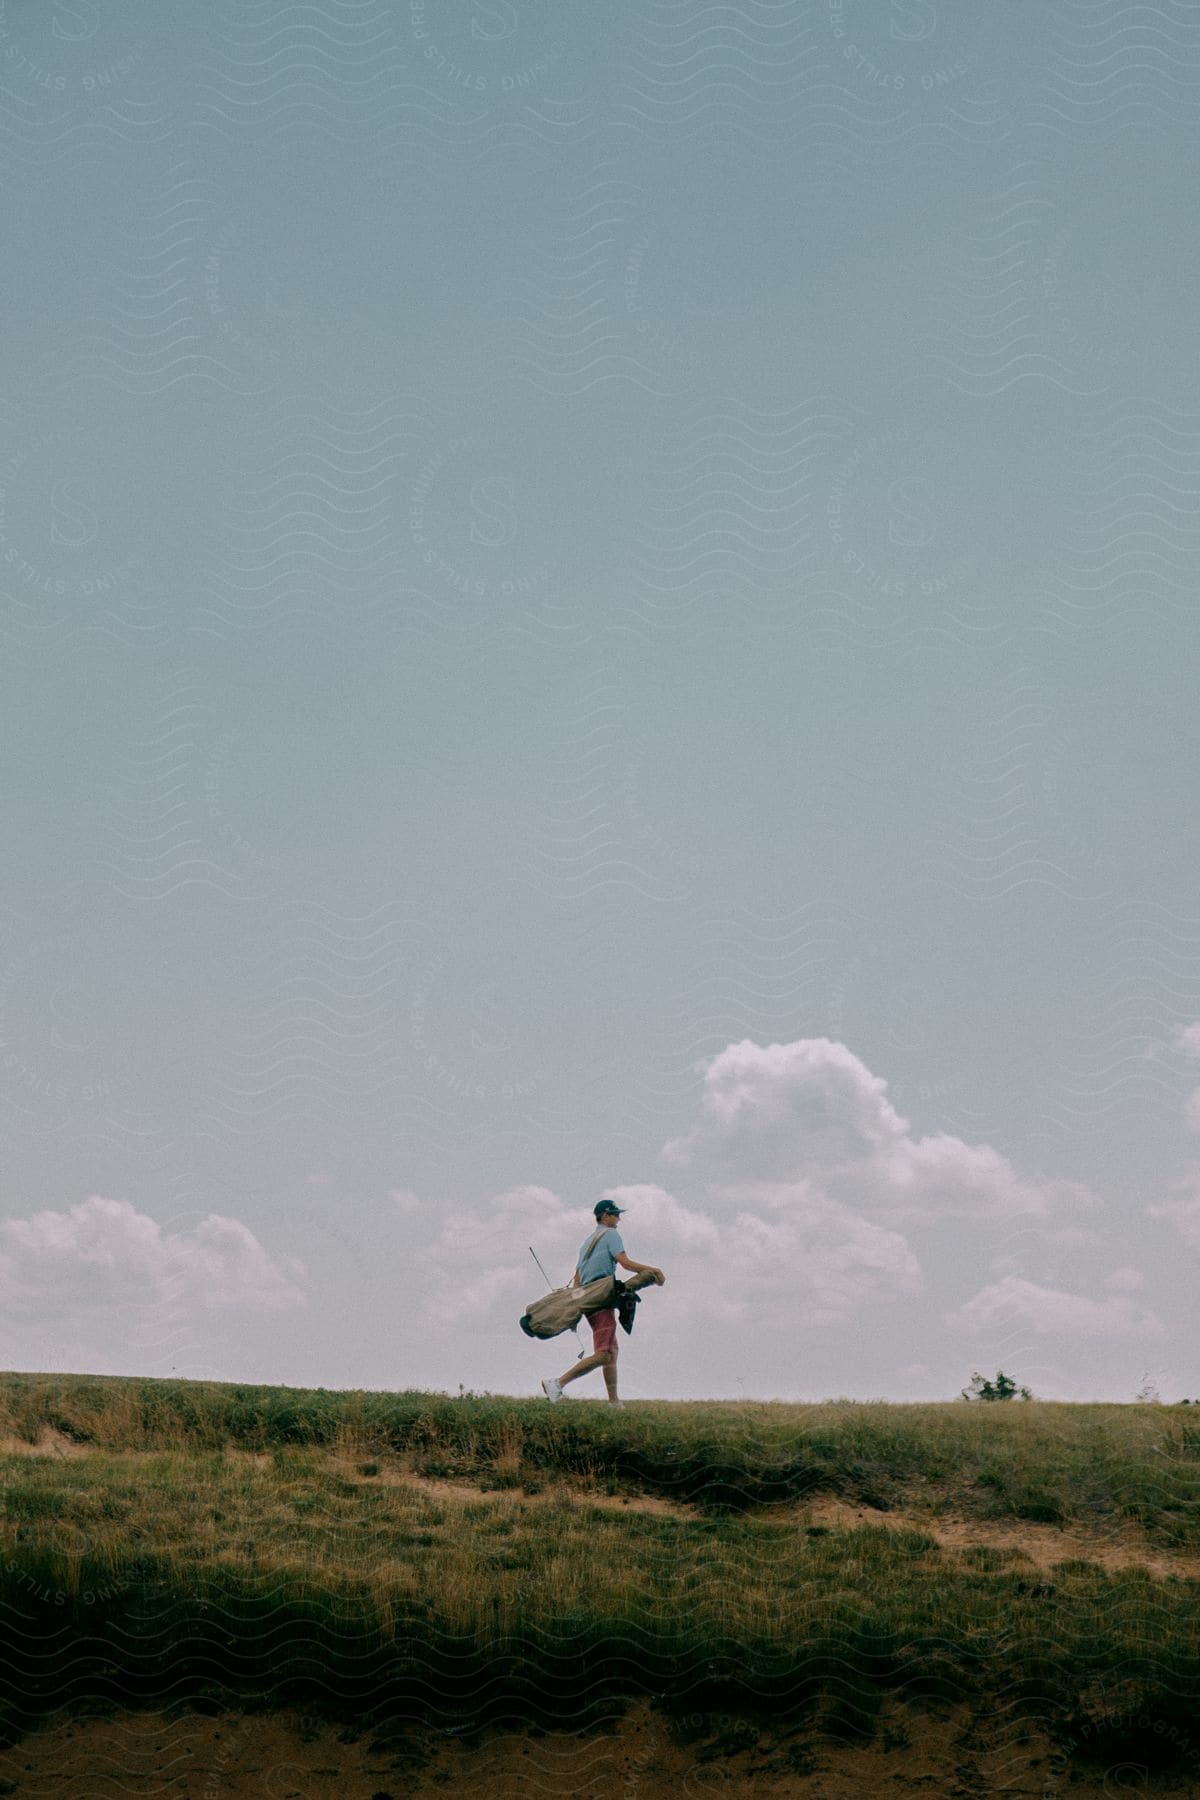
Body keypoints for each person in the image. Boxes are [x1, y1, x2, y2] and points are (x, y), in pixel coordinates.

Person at [541, 1200, 664, 1408]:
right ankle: (558, 1383)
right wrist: (653, 1270)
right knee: (605, 1353)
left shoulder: (587, 1242)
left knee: (611, 1351)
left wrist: (577, 1307)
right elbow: (625, 1263)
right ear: (605, 1216)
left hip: (588, 1298)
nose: (618, 1219)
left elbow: (577, 1276)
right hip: (600, 1296)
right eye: (615, 1215)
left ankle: (614, 1402)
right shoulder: (611, 1235)